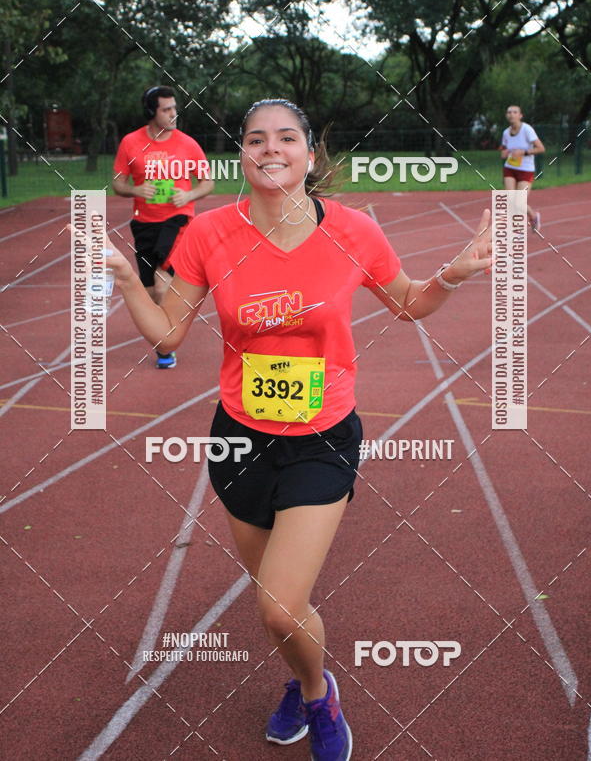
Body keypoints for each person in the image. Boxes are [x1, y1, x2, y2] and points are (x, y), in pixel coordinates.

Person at [104, 99, 492, 760]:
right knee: (276, 604)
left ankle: (318, 696)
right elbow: (168, 333)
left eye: (287, 138)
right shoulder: (208, 234)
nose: (271, 149)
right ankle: (304, 678)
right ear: (242, 156)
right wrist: (126, 280)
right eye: (256, 139)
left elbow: (407, 303)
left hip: (322, 437)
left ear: (310, 157)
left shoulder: (353, 231)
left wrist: (451, 276)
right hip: (239, 441)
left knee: (280, 608)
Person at [112, 85, 213, 368]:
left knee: (161, 281)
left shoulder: (187, 144)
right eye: (166, 109)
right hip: (143, 223)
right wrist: (135, 190)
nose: (173, 114)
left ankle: (166, 345)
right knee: (148, 290)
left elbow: (207, 182)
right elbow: (118, 183)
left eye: (174, 108)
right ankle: (163, 330)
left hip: (178, 220)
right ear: (151, 112)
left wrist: (188, 196)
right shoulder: (131, 143)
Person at [499, 104, 545, 233]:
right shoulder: (505, 133)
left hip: (526, 169)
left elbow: (541, 148)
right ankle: (515, 230)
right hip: (510, 167)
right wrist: (504, 153)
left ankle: (533, 216)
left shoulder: (527, 130)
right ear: (506, 115)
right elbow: (504, 148)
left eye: (515, 112)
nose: (511, 114)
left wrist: (523, 152)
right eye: (509, 112)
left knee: (519, 202)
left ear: (520, 115)